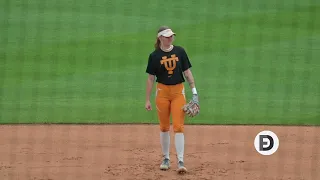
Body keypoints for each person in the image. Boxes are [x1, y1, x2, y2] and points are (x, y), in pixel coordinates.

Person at [145, 26, 199, 174]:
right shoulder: (154, 56)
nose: (170, 38)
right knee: (163, 127)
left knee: (178, 126)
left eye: (171, 36)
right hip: (162, 93)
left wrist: (194, 93)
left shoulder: (180, 51)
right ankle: (166, 159)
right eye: (167, 36)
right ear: (160, 38)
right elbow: (151, 78)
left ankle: (181, 161)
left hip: (178, 93)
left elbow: (187, 72)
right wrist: (147, 100)